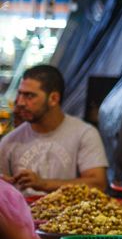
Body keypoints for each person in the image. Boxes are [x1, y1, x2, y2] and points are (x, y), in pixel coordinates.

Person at [0, 65, 107, 195]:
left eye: (29, 96)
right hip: (24, 214)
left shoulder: (84, 134)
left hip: (70, 213)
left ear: (54, 99)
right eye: (20, 94)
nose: (21, 102)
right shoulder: (10, 141)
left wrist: (44, 184)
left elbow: (98, 185)